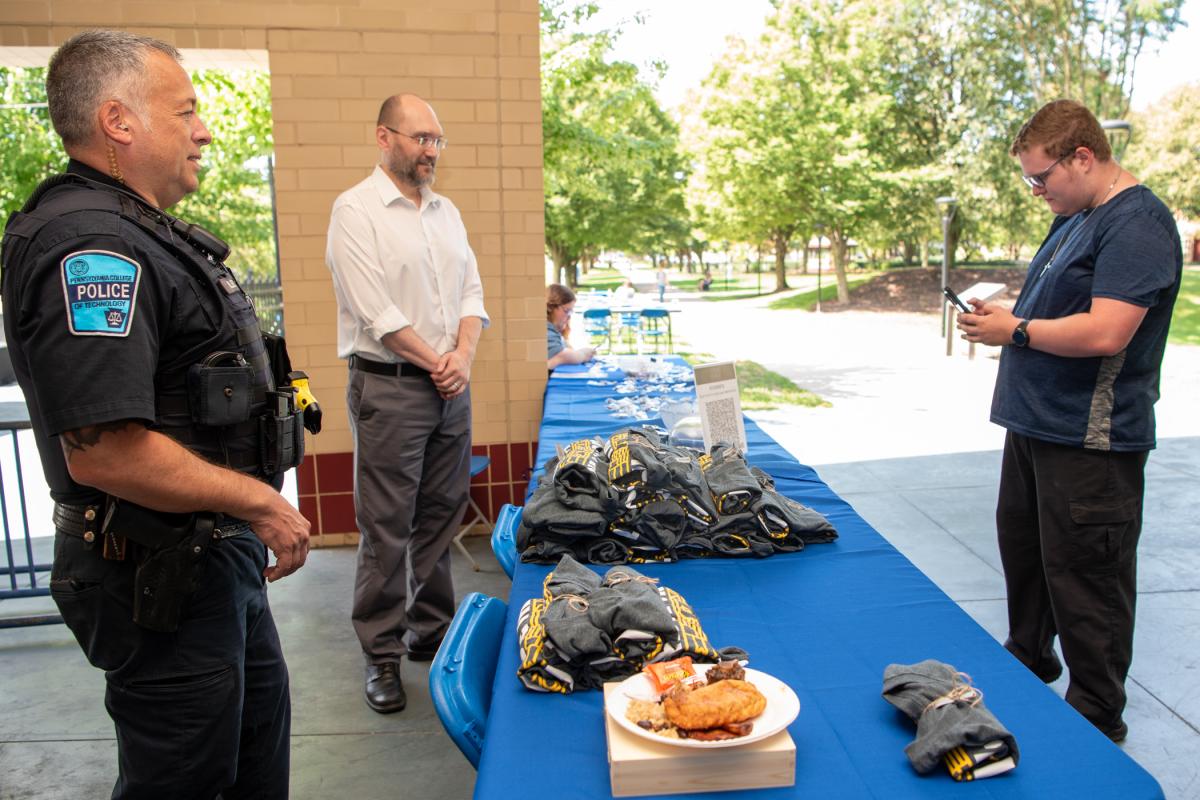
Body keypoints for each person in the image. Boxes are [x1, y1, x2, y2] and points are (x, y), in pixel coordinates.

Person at [0, 30, 311, 798]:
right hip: (156, 570)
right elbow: (105, 451)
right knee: (187, 779)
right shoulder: (93, 246)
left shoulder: (141, 232)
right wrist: (262, 501)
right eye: (187, 111)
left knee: (250, 759)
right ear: (119, 122)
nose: (204, 128)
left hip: (207, 553)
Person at [956, 99, 1182, 743]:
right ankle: (1027, 663)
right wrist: (1005, 312)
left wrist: (1016, 330)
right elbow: (1056, 303)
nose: (1036, 191)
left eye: (1040, 177)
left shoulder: (1137, 222)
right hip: (1037, 427)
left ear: (1083, 157)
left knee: (1088, 583)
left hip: (1090, 440)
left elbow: (1108, 330)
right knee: (1027, 562)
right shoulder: (1078, 215)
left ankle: (1095, 715)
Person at [326, 94, 489, 714]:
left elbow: (472, 295)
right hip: (392, 386)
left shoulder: (446, 213)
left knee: (439, 518)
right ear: (384, 136)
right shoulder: (355, 210)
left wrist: (462, 359)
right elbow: (377, 312)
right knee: (387, 529)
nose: (431, 150)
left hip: (451, 385)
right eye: (421, 138)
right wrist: (440, 362)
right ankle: (382, 655)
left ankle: (431, 632)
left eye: (437, 140)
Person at [547, 283, 596, 370]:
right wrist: (583, 354)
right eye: (566, 311)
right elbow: (561, 355)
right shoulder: (546, 329)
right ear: (551, 307)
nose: (569, 316)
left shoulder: (554, 331)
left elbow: (567, 351)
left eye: (571, 312)